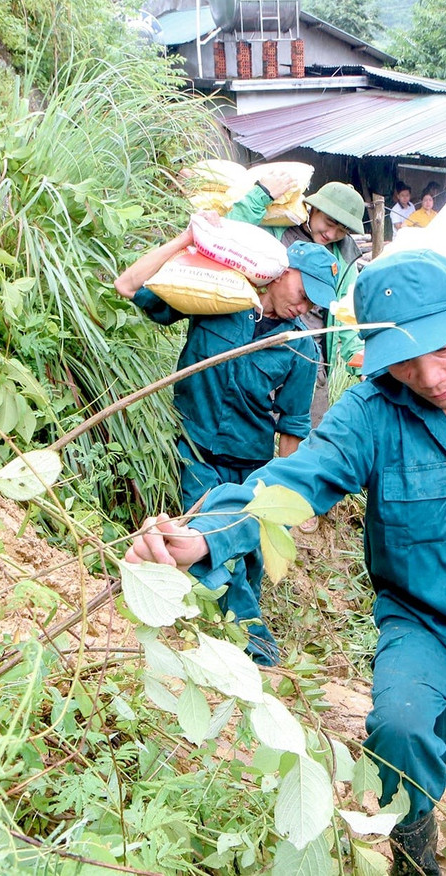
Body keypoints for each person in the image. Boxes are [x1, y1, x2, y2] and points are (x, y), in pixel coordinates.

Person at [124, 249, 446, 872]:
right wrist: (209, 534)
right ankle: (411, 858)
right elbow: (301, 476)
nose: (430, 377)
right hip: (422, 626)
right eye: (404, 359)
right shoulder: (373, 414)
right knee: (402, 730)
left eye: (444, 349)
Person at [114, 229, 339, 666]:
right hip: (197, 453)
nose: (305, 305)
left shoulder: (299, 348)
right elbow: (128, 287)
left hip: (252, 468)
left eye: (315, 302)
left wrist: (280, 507)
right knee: (215, 545)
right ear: (280, 271)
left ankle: (220, 639)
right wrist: (186, 239)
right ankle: (257, 652)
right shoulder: (218, 298)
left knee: (247, 563)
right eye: (303, 290)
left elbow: (292, 429)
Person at [229, 175, 367, 414]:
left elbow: (345, 313)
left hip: (312, 357)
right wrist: (261, 195)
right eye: (329, 222)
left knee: (307, 436)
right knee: (253, 427)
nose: (332, 234)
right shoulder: (279, 231)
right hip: (261, 343)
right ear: (313, 209)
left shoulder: (345, 260)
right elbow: (231, 232)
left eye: (342, 230)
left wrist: (360, 363)